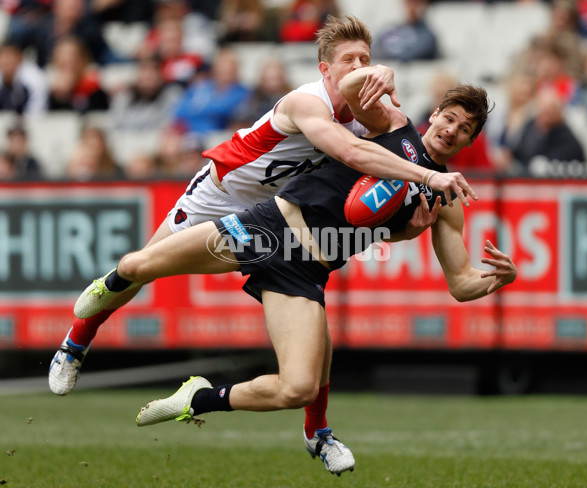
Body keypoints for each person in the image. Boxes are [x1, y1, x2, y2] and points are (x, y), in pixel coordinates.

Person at [48, 14, 476, 475]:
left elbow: (365, 204)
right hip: (223, 192)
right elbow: (355, 153)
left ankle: (317, 431)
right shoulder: (308, 103)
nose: (360, 67)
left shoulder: (368, 117)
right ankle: (76, 343)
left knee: (313, 358)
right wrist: (396, 102)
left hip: (278, 223)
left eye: (367, 60)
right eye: (348, 60)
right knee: (140, 268)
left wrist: (407, 227)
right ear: (324, 69)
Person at [122, 79, 515, 474]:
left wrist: (498, 278)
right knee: (141, 265)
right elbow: (347, 88)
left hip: (305, 267)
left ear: (469, 143)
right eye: (449, 119)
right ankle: (77, 340)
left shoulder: (444, 202)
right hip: (270, 226)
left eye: (464, 130)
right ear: (434, 115)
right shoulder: (393, 125)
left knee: (299, 388)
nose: (452, 130)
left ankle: (198, 399)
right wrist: (378, 70)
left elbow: (461, 282)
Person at [372, 0, 438, 63]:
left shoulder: (427, 36)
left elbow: (411, 55)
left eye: (415, 3)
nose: (412, 7)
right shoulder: (390, 29)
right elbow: (373, 51)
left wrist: (388, 54)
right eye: (409, 2)